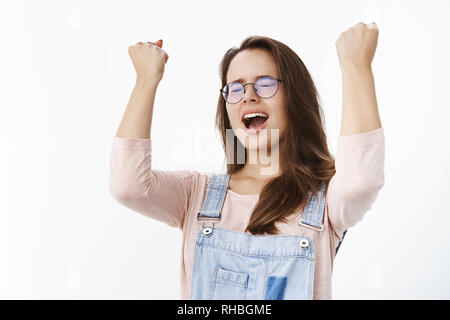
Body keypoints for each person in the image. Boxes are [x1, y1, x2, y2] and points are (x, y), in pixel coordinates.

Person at [109, 23, 384, 300]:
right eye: (236, 89)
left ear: (295, 99)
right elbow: (128, 186)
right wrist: (146, 79)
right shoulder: (196, 193)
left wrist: (356, 65)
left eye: (266, 84)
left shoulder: (325, 201)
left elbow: (361, 180)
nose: (249, 96)